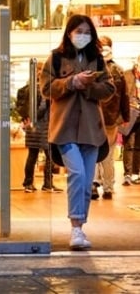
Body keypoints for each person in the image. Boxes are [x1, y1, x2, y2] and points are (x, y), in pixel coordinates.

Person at [39, 14, 115, 250]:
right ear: (69, 32)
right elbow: (45, 89)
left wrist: (90, 85)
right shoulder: (56, 58)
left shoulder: (97, 59)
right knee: (77, 175)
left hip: (92, 130)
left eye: (87, 31)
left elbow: (109, 88)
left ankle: (79, 228)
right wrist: (72, 82)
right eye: (78, 31)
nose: (82, 35)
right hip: (64, 128)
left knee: (85, 180)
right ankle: (75, 227)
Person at [91, 36, 130, 200]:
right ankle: (108, 187)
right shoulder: (119, 70)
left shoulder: (91, 68)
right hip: (111, 119)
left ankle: (93, 184)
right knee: (108, 154)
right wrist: (125, 116)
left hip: (92, 119)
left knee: (92, 153)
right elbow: (125, 96)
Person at [15, 64, 63, 193]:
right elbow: (41, 108)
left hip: (32, 126)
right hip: (43, 126)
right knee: (49, 155)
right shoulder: (41, 88)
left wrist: (28, 118)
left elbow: (21, 106)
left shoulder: (27, 88)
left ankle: (28, 183)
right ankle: (47, 183)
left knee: (33, 155)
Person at [121, 58, 140, 186]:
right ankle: (127, 174)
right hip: (130, 113)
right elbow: (123, 94)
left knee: (139, 145)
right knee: (129, 144)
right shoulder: (127, 74)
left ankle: (136, 173)